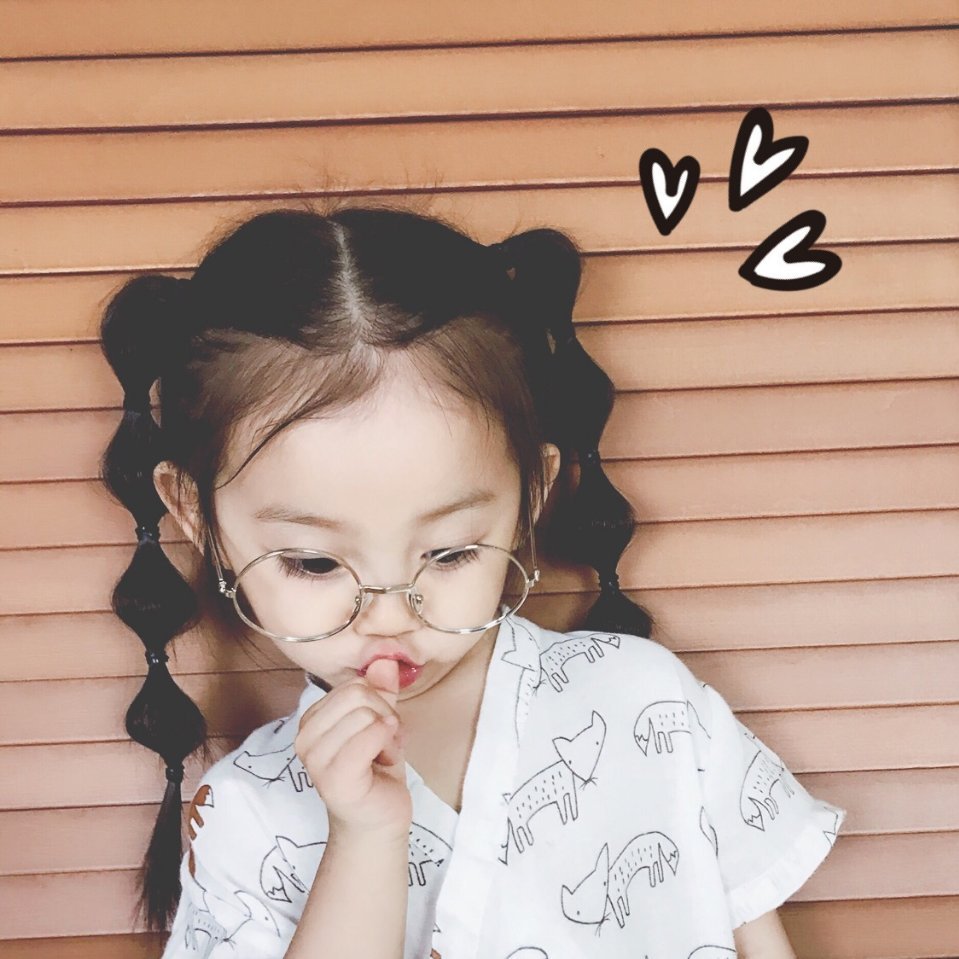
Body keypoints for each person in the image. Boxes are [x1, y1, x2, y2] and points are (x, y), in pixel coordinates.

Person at [98, 205, 845, 958]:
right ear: (195, 515)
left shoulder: (648, 702)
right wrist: (364, 840)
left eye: (450, 553)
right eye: (315, 563)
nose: (389, 616)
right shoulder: (242, 815)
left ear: (529, 497)